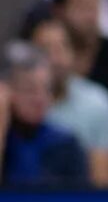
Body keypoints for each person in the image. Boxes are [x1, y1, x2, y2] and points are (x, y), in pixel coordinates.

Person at [27, 16, 108, 187]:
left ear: (74, 54)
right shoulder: (14, 103)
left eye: (62, 48)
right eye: (46, 49)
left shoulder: (98, 102)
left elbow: (103, 182)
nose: (55, 59)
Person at [0, 44, 89, 188]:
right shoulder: (4, 139)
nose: (39, 99)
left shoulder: (66, 144)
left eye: (46, 89)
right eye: (30, 90)